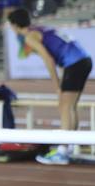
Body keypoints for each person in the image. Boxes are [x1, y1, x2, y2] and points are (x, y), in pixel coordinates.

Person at [8, 9, 91, 165]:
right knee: (70, 106)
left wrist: (57, 86)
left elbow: (49, 59)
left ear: (14, 25)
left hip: (75, 63)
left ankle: (62, 151)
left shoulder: (29, 37)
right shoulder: (41, 29)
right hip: (83, 61)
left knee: (65, 106)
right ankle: (69, 146)